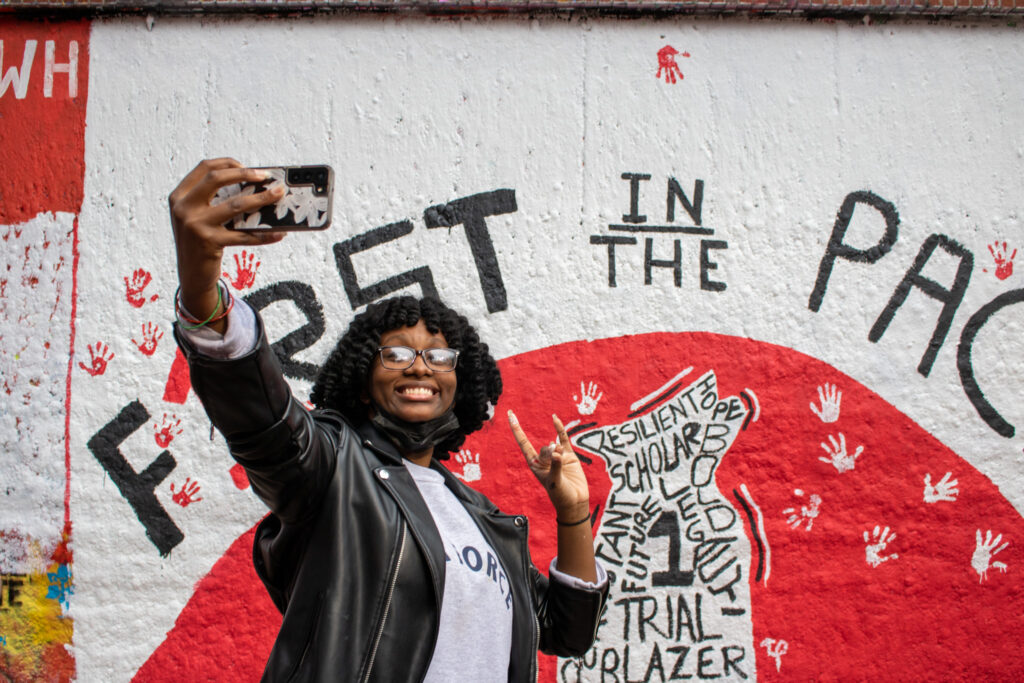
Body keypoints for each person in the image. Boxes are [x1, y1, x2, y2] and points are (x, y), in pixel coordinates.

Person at [169, 159, 609, 682]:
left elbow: (565, 632)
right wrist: (202, 292)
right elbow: (262, 423)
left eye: (440, 358)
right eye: (396, 354)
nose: (421, 365)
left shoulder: (479, 517)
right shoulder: (332, 469)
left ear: (459, 387)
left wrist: (573, 512)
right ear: (361, 378)